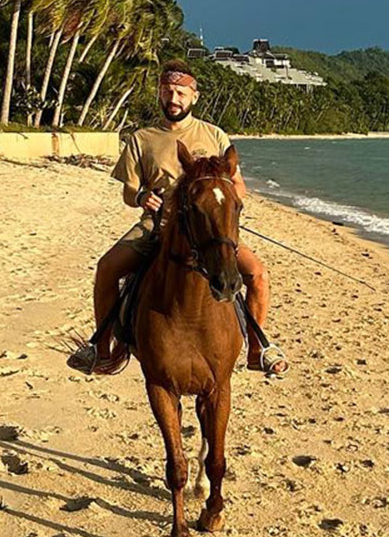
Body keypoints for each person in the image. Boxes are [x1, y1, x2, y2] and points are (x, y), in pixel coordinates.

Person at [67, 60, 283, 376]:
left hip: (206, 226)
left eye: (181, 92)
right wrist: (142, 197)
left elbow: (238, 187)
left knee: (258, 274)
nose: (174, 99)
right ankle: (101, 348)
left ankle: (256, 348)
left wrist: (219, 205)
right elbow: (129, 192)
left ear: (194, 96)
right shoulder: (141, 139)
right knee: (107, 267)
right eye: (167, 91)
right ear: (159, 94)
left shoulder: (215, 135)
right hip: (157, 224)